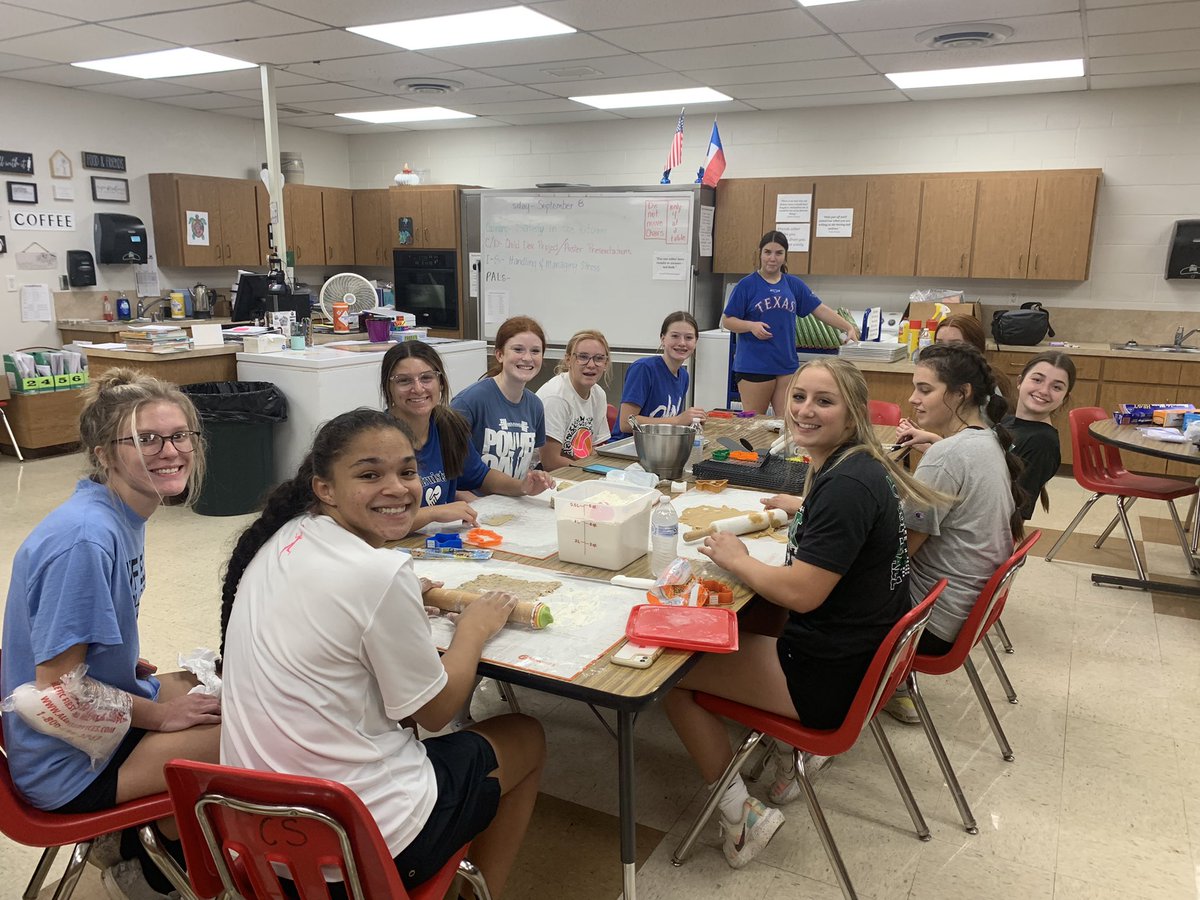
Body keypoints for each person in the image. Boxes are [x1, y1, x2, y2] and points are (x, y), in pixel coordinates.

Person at [219, 409, 545, 898]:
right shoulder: (377, 573)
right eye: (370, 474)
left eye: (407, 471)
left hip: (256, 832)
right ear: (324, 488)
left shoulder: (283, 536)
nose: (397, 488)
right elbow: (435, 712)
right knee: (526, 734)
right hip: (358, 843)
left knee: (388, 710)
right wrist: (473, 631)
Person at [663, 358, 945, 869]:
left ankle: (741, 817)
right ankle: (777, 750)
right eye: (799, 397)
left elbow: (802, 594)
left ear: (853, 412)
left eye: (823, 400)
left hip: (834, 676)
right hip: (863, 655)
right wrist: (803, 506)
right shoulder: (852, 465)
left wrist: (738, 558)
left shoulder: (846, 486)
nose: (805, 411)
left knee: (672, 674)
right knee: (757, 615)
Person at [0, 369, 221, 899]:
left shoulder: (119, 511)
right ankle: (148, 868)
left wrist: (120, 662)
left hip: (87, 727)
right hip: (66, 764)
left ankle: (137, 842)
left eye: (179, 435)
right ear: (103, 453)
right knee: (254, 730)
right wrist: (162, 715)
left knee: (217, 684)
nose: (170, 451)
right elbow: (55, 693)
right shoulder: (87, 539)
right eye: (145, 439)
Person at [886, 342, 1025, 723]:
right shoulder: (986, 440)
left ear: (961, 393)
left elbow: (897, 553)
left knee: (813, 585)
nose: (913, 399)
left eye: (925, 389)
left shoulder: (947, 456)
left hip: (931, 622)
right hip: (962, 612)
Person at [380, 342, 551, 532]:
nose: (418, 389)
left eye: (427, 378)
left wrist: (523, 486)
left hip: (433, 542)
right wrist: (433, 513)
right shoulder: (379, 440)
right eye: (404, 381)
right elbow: (379, 521)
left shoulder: (448, 426)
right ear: (389, 388)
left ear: (441, 383)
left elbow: (480, 476)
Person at [722, 231, 859, 417]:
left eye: (778, 253)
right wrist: (751, 326)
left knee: (787, 421)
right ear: (760, 254)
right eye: (767, 252)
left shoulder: (793, 284)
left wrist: (848, 327)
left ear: (785, 256)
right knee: (754, 423)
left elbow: (819, 309)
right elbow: (728, 320)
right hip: (754, 365)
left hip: (786, 364)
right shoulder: (747, 285)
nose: (772, 258)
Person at [451, 316, 548, 481]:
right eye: (518, 349)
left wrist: (536, 478)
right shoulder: (469, 402)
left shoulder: (535, 405)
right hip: (475, 501)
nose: (527, 358)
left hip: (515, 499)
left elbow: (527, 465)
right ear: (500, 354)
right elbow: (450, 474)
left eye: (535, 351)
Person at [611, 311, 707, 440]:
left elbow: (669, 423)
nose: (682, 343)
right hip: (627, 447)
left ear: (695, 342)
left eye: (689, 338)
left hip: (660, 446)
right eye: (675, 336)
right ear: (663, 339)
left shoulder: (684, 376)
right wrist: (678, 420)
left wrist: (691, 421)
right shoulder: (644, 369)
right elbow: (626, 423)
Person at [1003, 351, 1076, 519]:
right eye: (1037, 379)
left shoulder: (1042, 443)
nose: (1044, 390)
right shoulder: (1007, 421)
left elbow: (1016, 509)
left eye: (1056, 387)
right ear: (1020, 381)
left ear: (1064, 398)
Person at [536, 329, 613, 468]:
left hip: (577, 470)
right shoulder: (556, 397)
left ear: (606, 363)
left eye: (599, 358)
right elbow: (550, 462)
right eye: (583, 357)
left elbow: (595, 450)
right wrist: (591, 471)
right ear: (568, 360)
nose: (591, 365)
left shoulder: (598, 394)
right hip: (544, 475)